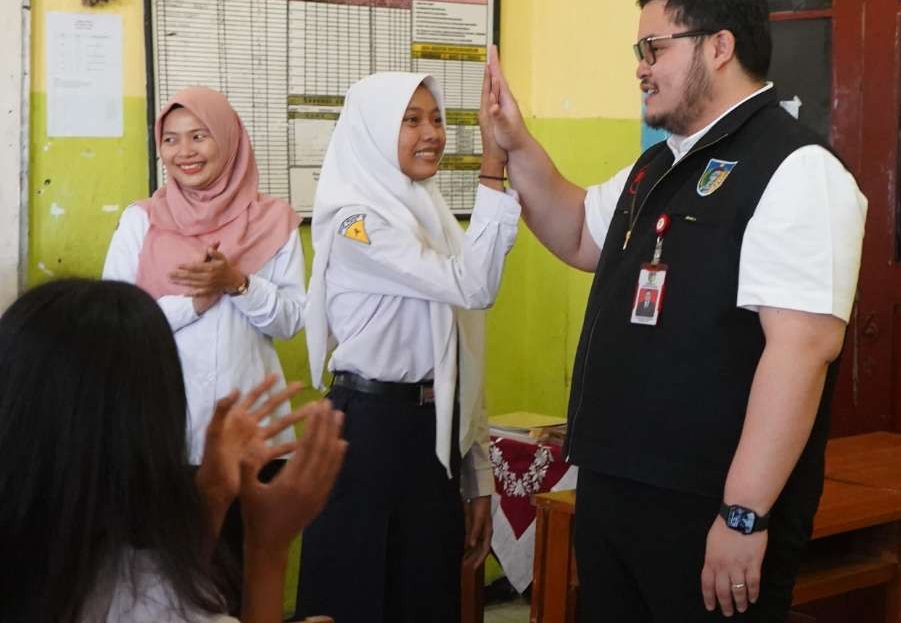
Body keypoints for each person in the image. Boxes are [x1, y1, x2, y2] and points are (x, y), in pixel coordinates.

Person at [480, 0, 868, 621]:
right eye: (640, 51)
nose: (640, 67)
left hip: (705, 505)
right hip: (617, 489)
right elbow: (576, 230)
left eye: (653, 48)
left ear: (719, 47)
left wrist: (743, 515)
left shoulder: (797, 169)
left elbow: (800, 353)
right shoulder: (660, 164)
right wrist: (516, 144)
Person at [296, 72, 521, 623]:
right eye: (412, 120)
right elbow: (475, 285)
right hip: (367, 431)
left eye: (438, 118)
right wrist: (493, 167)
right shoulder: (355, 222)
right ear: (373, 131)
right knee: (355, 596)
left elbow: (463, 351)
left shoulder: (431, 213)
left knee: (428, 598)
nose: (433, 133)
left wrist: (478, 479)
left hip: (430, 433)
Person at [0, 278, 347, 623]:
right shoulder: (137, 593)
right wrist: (267, 549)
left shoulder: (43, 557)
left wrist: (212, 494)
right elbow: (160, 601)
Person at [102, 87, 305, 600]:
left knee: (239, 580)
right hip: (163, 438)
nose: (184, 151)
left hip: (249, 438)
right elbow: (115, 322)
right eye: (170, 140)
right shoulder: (141, 221)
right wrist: (192, 304)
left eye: (199, 136)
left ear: (230, 140)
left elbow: (290, 320)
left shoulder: (274, 222)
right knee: (165, 587)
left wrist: (239, 283)